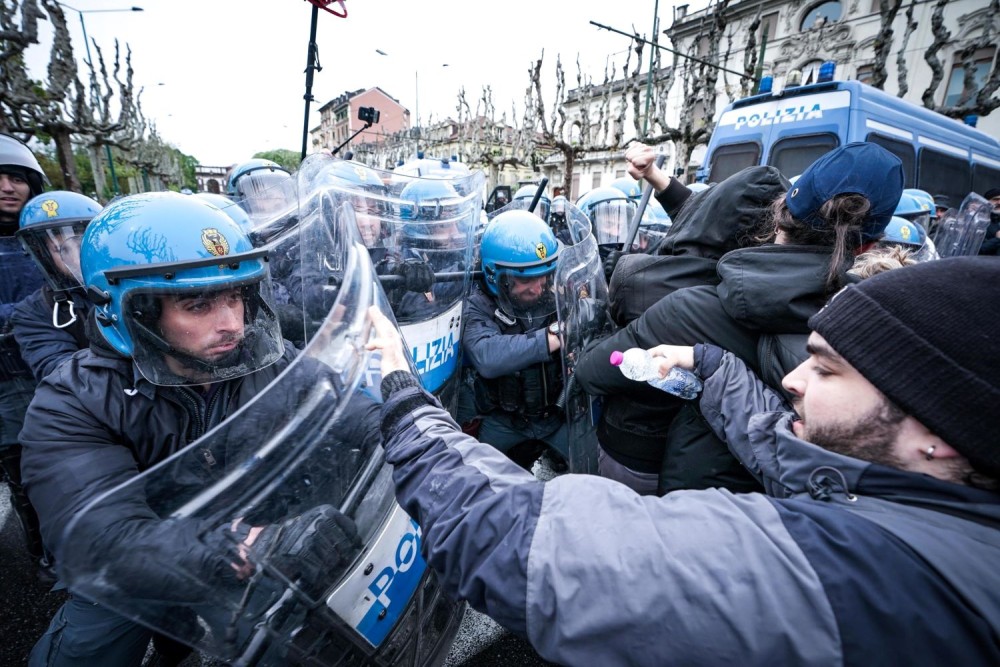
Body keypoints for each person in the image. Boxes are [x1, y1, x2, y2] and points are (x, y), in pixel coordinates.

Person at [366, 256, 1000, 666]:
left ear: (934, 432)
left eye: (828, 368)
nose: (794, 381)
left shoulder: (844, 572)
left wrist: (403, 397)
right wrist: (710, 366)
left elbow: (519, 541)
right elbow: (793, 452)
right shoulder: (939, 502)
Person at [20, 192, 374, 666]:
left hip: (244, 549)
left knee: (302, 647)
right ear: (134, 312)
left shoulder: (266, 362)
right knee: (85, 654)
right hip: (146, 569)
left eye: (236, 297)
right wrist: (235, 550)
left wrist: (417, 428)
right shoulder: (72, 401)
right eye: (198, 304)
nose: (232, 325)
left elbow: (352, 408)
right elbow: (98, 537)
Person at [576, 142, 904, 495]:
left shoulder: (692, 309)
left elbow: (592, 370)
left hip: (656, 470)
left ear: (779, 212)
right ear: (868, 247)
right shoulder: (868, 324)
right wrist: (658, 179)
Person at [461, 210, 567, 470]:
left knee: (592, 473)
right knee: (478, 479)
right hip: (504, 421)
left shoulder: (554, 294)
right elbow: (486, 356)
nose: (538, 286)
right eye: (525, 279)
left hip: (556, 415)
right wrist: (551, 337)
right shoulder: (479, 305)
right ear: (495, 276)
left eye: (544, 275)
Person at [0, 133, 51, 581]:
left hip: (58, 366)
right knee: (24, 471)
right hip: (7, 378)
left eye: (16, 177)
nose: (6, 187)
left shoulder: (51, 233)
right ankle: (42, 553)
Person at [13, 191, 101, 381]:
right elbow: (58, 371)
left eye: (82, 243)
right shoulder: (31, 312)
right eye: (61, 249)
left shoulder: (133, 285)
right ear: (45, 256)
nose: (77, 259)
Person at [979, 187, 1000, 256]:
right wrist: (997, 239)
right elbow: (977, 250)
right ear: (987, 202)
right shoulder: (979, 223)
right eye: (996, 199)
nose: (999, 202)